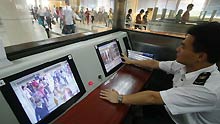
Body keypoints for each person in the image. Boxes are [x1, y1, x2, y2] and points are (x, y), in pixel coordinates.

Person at [100, 22, 220, 124]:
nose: (178, 49)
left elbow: (153, 97)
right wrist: (131, 61)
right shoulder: (188, 65)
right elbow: (154, 64)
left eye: (183, 47)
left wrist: (119, 98)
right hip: (173, 111)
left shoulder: (209, 89)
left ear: (200, 56)